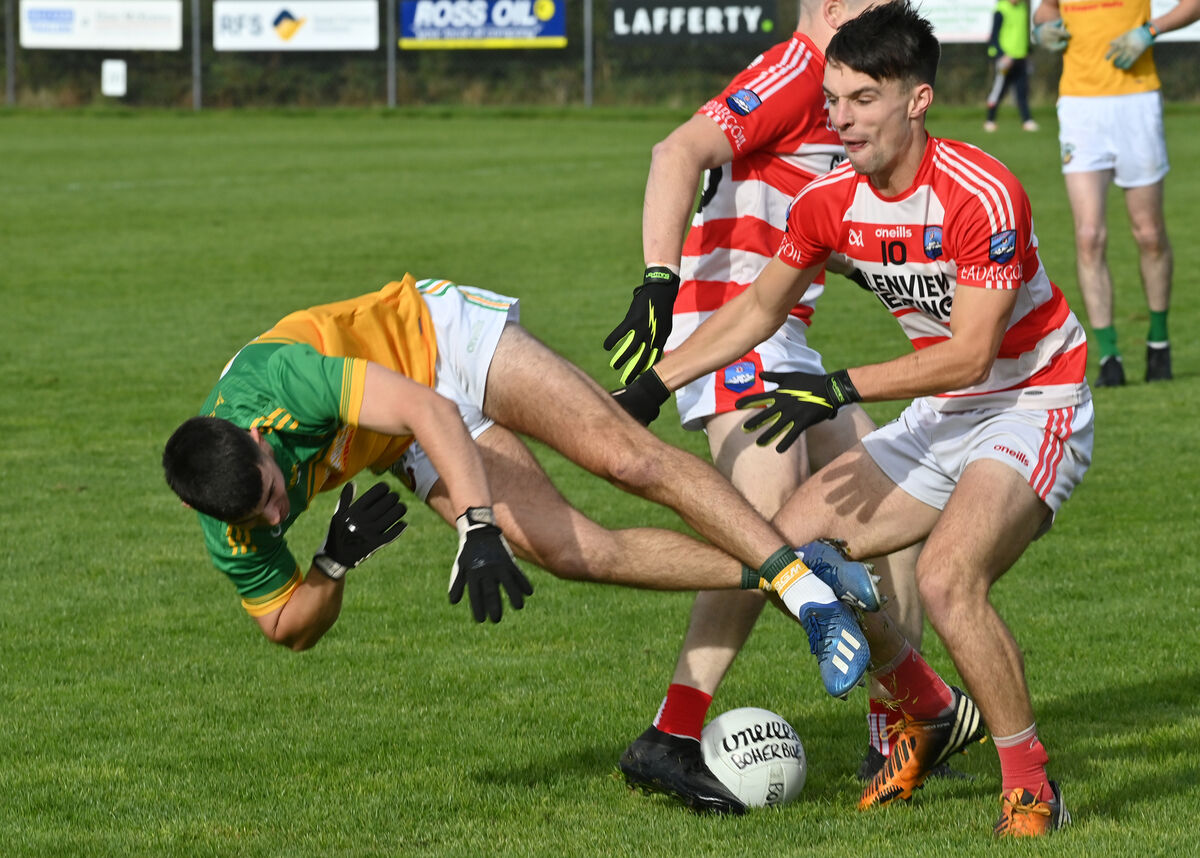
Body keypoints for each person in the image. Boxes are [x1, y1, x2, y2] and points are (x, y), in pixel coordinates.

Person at [617, 1, 1092, 836]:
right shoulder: (831, 197)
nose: (840, 118)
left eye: (862, 100)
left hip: (1033, 398)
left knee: (947, 579)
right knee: (789, 555)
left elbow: (974, 353)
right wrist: (653, 385)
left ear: (917, 100)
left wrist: (837, 386)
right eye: (833, 100)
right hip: (946, 408)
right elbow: (758, 309)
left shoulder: (981, 191)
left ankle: (1028, 781)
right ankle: (924, 706)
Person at [161, 275, 877, 707]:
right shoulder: (232, 521)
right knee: (570, 551)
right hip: (399, 438)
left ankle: (806, 595)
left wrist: (477, 528)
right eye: (261, 515)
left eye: (272, 491)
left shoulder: (276, 384)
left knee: (623, 459)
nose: (277, 512)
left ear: (256, 438)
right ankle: (801, 569)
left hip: (438, 342)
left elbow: (428, 408)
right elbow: (286, 627)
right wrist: (330, 566)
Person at [604, 0, 941, 815]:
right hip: (730, 333)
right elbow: (676, 150)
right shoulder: (797, 71)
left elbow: (823, 229)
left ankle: (895, 732)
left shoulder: (841, 94)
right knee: (758, 522)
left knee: (905, 497)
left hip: (782, 342)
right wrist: (658, 278)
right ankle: (672, 734)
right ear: (833, 10)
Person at [1031, 0, 1200, 386]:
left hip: (1136, 102)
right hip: (1079, 107)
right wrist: (1045, 28)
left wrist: (1150, 31)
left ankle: (1159, 342)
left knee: (1149, 234)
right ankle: (1109, 355)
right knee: (1089, 237)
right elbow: (1046, 9)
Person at [984, 0, 1037, 132]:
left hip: (1021, 57)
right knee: (998, 90)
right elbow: (994, 36)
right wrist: (1002, 55)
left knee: (1022, 91)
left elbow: (1022, 33)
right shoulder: (1001, 9)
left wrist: (1027, 50)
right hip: (1005, 59)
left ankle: (1027, 120)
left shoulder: (1022, 8)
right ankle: (990, 120)